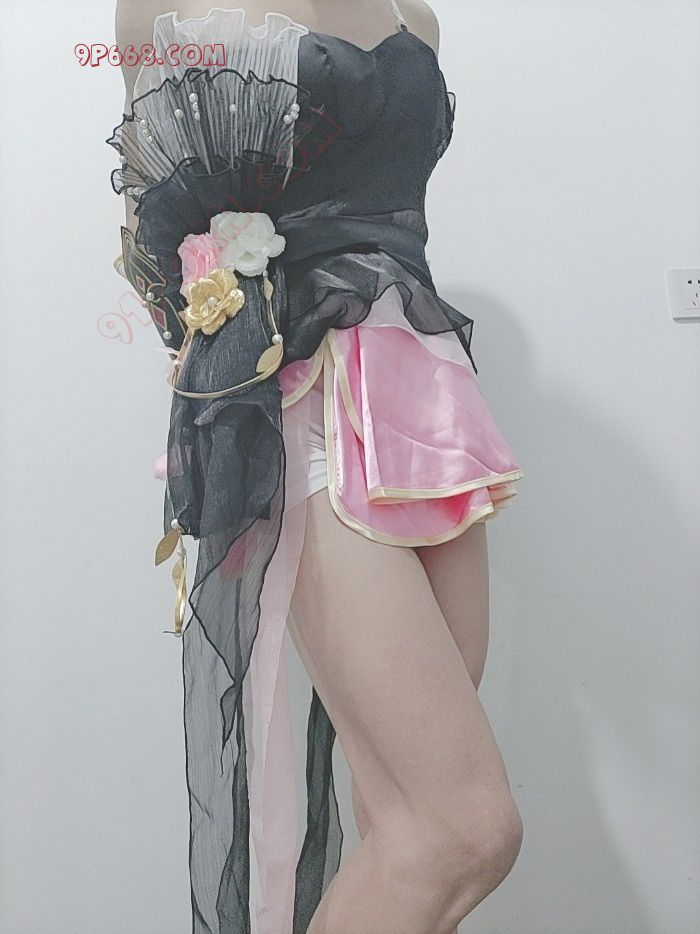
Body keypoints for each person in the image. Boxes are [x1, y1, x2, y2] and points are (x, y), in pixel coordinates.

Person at [109, 2, 525, 931]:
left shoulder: (414, 15)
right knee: (461, 830)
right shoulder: (164, 8)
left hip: (427, 405)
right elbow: (148, 232)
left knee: (402, 819)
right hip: (297, 396)